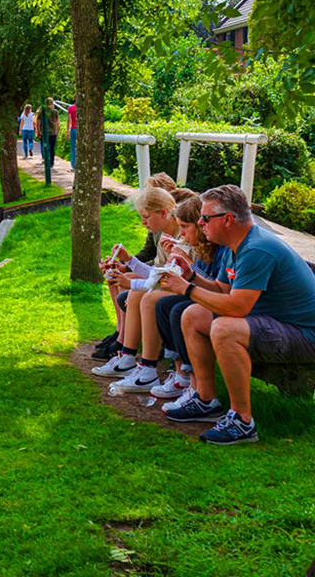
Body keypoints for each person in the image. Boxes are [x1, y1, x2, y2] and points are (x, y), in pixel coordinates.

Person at [161, 185, 315, 444]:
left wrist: (186, 288)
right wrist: (192, 276)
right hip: (278, 324)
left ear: (228, 220)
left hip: (304, 334)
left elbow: (236, 307)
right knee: (193, 315)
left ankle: (242, 421)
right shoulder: (235, 244)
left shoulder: (256, 249)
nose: (200, 223)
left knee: (224, 328)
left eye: (205, 218)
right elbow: (222, 289)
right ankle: (206, 399)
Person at [92, 186, 180, 388]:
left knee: (142, 295)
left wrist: (130, 282)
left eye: (146, 217)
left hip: (181, 290)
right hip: (174, 286)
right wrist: (128, 260)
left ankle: (144, 366)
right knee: (132, 286)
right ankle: (126, 354)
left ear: (164, 213)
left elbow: (166, 277)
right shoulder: (163, 235)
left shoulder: (176, 235)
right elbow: (157, 273)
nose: (143, 222)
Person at [146, 195, 229, 403]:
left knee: (180, 310)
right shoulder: (205, 246)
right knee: (164, 305)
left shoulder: (220, 247)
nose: (181, 233)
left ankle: (195, 384)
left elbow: (217, 286)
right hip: (215, 300)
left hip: (228, 307)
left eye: (185, 227)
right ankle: (182, 374)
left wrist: (189, 266)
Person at [33, 97, 60, 170]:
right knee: (52, 148)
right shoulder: (55, 111)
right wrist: (57, 131)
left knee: (45, 147)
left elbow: (38, 123)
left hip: (44, 133)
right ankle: (51, 162)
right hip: (53, 132)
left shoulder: (42, 111)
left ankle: (46, 161)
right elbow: (57, 123)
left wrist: (38, 132)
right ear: (52, 103)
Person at [67, 99, 78, 170]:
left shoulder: (71, 108)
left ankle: (74, 165)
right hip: (82, 130)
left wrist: (67, 131)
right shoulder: (84, 108)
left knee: (73, 148)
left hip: (74, 128)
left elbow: (69, 120)